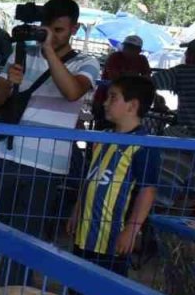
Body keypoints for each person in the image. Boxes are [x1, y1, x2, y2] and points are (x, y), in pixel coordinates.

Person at [0, 0, 101, 281]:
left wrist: (48, 51)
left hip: (47, 167)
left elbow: (73, 92)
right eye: (47, 28)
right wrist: (9, 82)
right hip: (8, 156)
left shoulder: (87, 62)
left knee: (27, 239)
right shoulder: (21, 52)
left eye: (59, 30)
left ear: (74, 28)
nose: (51, 34)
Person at [67, 75, 160, 276]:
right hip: (84, 232)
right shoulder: (103, 136)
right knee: (77, 289)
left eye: (113, 97)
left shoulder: (143, 145)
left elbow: (147, 191)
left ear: (132, 106)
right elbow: (91, 177)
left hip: (113, 239)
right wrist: (77, 209)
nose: (105, 102)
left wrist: (132, 229)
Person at [93, 34, 152, 125]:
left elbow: (147, 80)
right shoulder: (115, 57)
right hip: (104, 98)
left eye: (132, 48)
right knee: (101, 128)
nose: (127, 50)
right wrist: (135, 77)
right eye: (126, 46)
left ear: (139, 50)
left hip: (126, 102)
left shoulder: (142, 60)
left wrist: (130, 76)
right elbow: (115, 78)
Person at [152, 41, 195, 129]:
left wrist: (157, 98)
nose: (185, 53)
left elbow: (149, 83)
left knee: (160, 139)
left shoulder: (182, 72)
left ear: (192, 55)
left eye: (188, 51)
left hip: (189, 132)